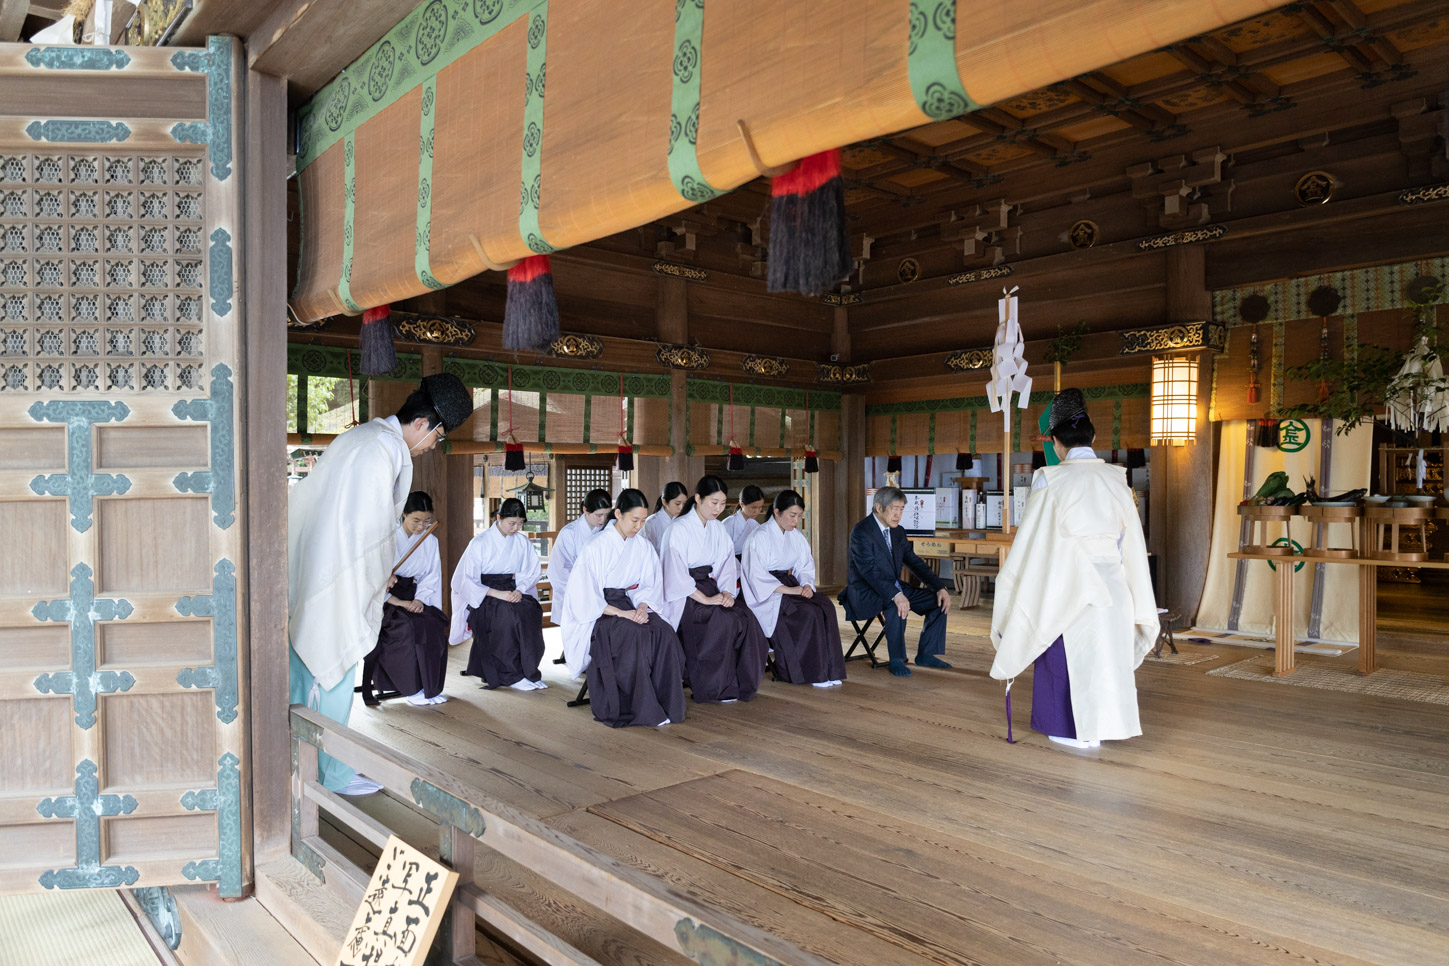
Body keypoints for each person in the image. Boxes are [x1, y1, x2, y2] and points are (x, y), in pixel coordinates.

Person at [288, 373, 473, 795]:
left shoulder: (367, 437)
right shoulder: (380, 449)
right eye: (438, 438)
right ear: (424, 424)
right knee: (327, 675)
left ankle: (312, 769)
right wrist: (375, 575)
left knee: (309, 673)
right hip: (336, 579)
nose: (432, 448)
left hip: (324, 570)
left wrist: (376, 574)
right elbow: (367, 534)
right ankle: (324, 776)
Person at [990, 388, 1157, 749]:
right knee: (1107, 659)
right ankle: (1102, 726)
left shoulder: (1049, 479)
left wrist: (1012, 585)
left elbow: (1031, 543)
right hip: (1113, 586)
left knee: (1062, 654)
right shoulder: (1118, 479)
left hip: (1067, 584)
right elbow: (1132, 545)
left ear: (1055, 442)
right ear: (1093, 439)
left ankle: (1069, 729)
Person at [558, 488, 686, 727]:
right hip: (602, 612)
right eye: (634, 520)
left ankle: (667, 704)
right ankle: (641, 708)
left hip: (632, 604)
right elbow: (584, 596)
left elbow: (649, 583)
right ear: (618, 514)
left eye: (643, 521)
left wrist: (643, 606)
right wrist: (622, 613)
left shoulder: (642, 546)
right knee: (635, 634)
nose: (638, 526)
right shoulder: (595, 546)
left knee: (664, 632)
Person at [659, 476, 769, 703]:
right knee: (722, 620)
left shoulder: (718, 529)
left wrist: (727, 592)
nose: (718, 509)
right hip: (686, 595)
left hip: (712, 587)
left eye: (722, 504)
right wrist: (707, 600)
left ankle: (741, 684)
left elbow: (727, 565)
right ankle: (712, 686)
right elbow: (675, 574)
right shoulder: (678, 529)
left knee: (746, 618)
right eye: (713, 503)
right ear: (698, 498)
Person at [841, 486, 951, 677]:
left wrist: (940, 586)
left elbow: (914, 562)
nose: (898, 514)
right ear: (879, 507)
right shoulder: (861, 532)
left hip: (892, 587)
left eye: (901, 509)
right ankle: (897, 659)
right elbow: (869, 571)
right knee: (895, 604)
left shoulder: (898, 531)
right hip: (866, 591)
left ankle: (925, 654)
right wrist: (895, 594)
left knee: (938, 601)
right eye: (894, 508)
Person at [741, 490, 845, 687]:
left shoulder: (795, 536)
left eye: (799, 516)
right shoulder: (759, 537)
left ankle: (830, 669)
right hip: (768, 593)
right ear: (777, 512)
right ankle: (813, 672)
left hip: (790, 584)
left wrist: (805, 584)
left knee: (825, 606)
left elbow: (805, 565)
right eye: (792, 515)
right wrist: (791, 591)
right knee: (807, 613)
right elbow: (756, 577)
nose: (796, 521)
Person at [361, 491, 449, 707]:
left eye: (426, 521)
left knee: (433, 623)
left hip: (414, 597)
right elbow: (368, 574)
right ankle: (411, 688)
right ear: (403, 515)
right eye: (416, 521)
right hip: (385, 601)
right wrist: (385, 579)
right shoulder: (384, 538)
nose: (421, 527)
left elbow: (431, 575)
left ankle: (429, 686)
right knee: (408, 628)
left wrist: (419, 600)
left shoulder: (430, 541)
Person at [452, 498, 548, 691]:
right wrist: (497, 593)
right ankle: (509, 674)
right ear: (498, 518)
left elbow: (530, 571)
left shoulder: (521, 542)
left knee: (530, 610)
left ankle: (528, 671)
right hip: (486, 594)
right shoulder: (479, 542)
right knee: (508, 615)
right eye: (512, 523)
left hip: (512, 589)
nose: (516, 528)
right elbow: (465, 579)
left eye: (520, 523)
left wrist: (519, 591)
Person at [548, 488, 612, 609]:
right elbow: (559, 571)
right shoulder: (569, 533)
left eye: (606, 515)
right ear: (585, 510)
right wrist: (580, 591)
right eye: (598, 515)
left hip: (603, 591)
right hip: (575, 591)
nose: (603, 520)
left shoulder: (609, 530)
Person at [642, 481, 689, 551]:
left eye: (684, 503)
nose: (681, 508)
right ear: (664, 502)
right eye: (677, 503)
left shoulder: (685, 520)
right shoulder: (651, 523)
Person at [722, 484, 765, 557]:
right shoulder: (728, 524)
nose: (757, 511)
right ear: (742, 504)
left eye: (760, 507)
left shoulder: (756, 525)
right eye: (754, 508)